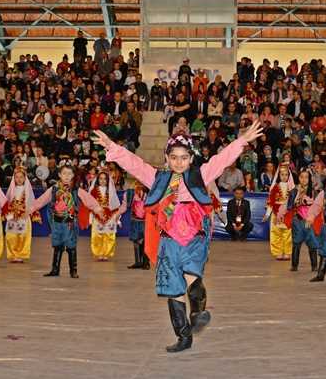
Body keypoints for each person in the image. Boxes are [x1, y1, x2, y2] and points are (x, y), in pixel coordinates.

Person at [91, 120, 264, 353]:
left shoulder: (200, 175)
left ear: (191, 158)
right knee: (173, 288)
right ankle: (184, 337)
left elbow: (221, 160)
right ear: (166, 158)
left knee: (192, 277)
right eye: (174, 157)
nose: (179, 162)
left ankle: (198, 313)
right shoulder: (158, 178)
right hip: (169, 240)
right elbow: (135, 164)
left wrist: (242, 140)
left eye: (184, 157)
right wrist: (112, 146)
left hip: (194, 237)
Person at [31, 160, 85, 278]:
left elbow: (88, 199)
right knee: (57, 245)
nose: (67, 176)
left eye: (69, 174)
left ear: (73, 175)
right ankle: (55, 270)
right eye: (64, 173)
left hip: (70, 223)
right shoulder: (54, 189)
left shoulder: (76, 189)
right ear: (59, 175)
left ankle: (73, 271)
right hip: (57, 222)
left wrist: (97, 208)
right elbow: (42, 200)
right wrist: (31, 209)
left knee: (71, 246)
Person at [80, 168, 125, 261]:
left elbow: (115, 205)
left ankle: (106, 253)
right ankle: (99, 253)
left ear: (108, 180)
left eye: (105, 179)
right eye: (100, 178)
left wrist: (117, 218)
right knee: (97, 235)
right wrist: (90, 216)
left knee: (109, 235)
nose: (103, 181)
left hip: (110, 216)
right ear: (97, 180)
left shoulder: (111, 191)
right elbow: (90, 204)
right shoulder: (93, 191)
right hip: (97, 215)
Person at [3, 166, 41, 263]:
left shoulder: (27, 191)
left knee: (23, 237)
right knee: (11, 237)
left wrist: (35, 215)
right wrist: (9, 215)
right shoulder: (11, 190)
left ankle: (20, 255)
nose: (19, 179)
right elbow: (7, 204)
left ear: (25, 178)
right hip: (12, 218)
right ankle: (13, 255)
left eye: (21, 177)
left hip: (24, 218)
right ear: (14, 178)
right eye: (17, 177)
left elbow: (32, 204)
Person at [286, 170, 319, 272]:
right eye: (301, 177)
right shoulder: (294, 191)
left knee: (312, 244)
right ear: (299, 178)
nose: (304, 179)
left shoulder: (314, 192)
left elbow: (319, 207)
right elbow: (289, 206)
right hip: (298, 220)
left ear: (310, 179)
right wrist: (298, 196)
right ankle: (294, 265)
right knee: (296, 243)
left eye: (306, 177)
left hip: (310, 221)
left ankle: (314, 266)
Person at [263, 164, 294, 261]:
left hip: (287, 214)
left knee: (288, 234)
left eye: (286, 174)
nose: (284, 176)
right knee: (276, 233)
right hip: (276, 214)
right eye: (282, 174)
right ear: (278, 175)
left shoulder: (292, 188)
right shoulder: (275, 188)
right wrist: (267, 214)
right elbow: (271, 202)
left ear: (289, 176)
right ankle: (278, 252)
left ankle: (287, 252)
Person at [126, 182, 150, 269]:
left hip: (146, 220)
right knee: (135, 240)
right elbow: (128, 204)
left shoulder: (150, 190)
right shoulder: (134, 190)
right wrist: (130, 190)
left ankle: (146, 262)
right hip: (135, 220)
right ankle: (138, 262)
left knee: (145, 240)